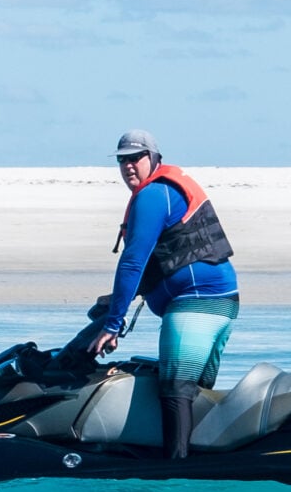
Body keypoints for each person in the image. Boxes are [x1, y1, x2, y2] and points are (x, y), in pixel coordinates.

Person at [90, 129, 239, 460]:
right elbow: (167, 261)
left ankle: (176, 471)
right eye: (122, 160)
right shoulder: (163, 191)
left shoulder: (154, 194)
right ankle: (202, 455)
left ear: (154, 158)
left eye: (135, 158)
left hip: (197, 303)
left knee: (176, 390)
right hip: (221, 302)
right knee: (194, 390)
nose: (129, 166)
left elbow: (133, 263)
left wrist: (113, 324)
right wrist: (115, 302)